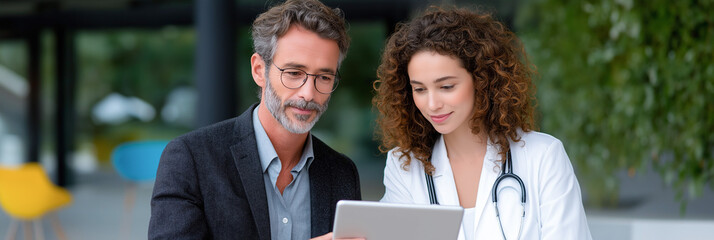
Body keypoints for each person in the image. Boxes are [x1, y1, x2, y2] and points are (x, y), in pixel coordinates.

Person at [373, 6, 592, 240]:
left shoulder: (543, 157)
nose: (432, 104)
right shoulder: (404, 166)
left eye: (446, 87)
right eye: (419, 89)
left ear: (481, 80)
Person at [149, 0, 361, 239]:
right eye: (293, 73)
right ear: (259, 70)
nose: (308, 94)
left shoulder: (342, 173)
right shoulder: (192, 159)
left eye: (324, 77)